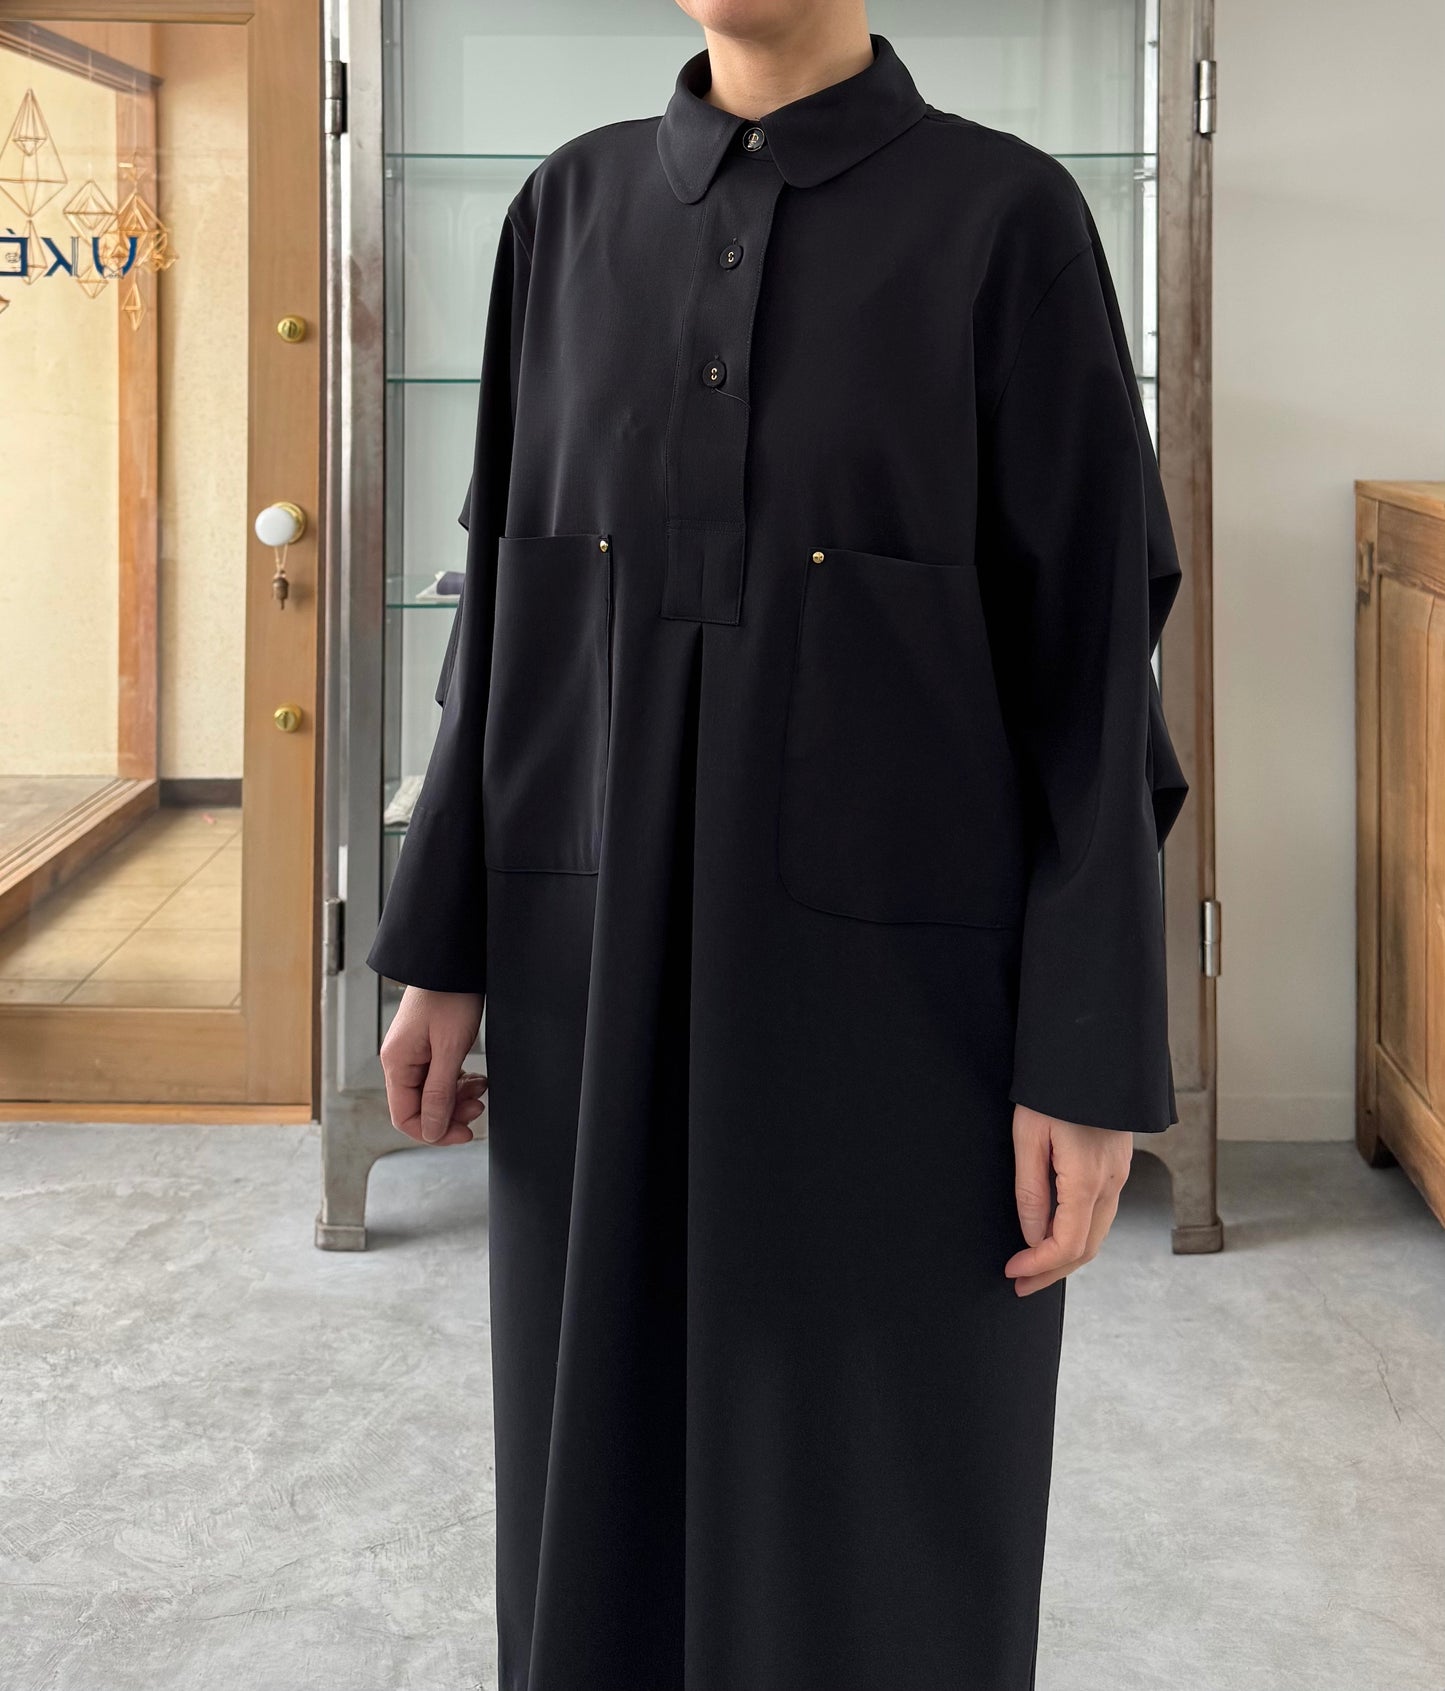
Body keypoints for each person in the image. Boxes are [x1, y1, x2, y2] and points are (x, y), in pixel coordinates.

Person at [369, 3, 1188, 1687]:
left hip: (905, 1014)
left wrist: (1087, 1051)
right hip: (590, 974)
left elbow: (1091, 667)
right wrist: (441, 946)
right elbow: (506, 610)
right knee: (595, 1471)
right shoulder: (566, 212)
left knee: (882, 1496)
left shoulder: (1005, 221)